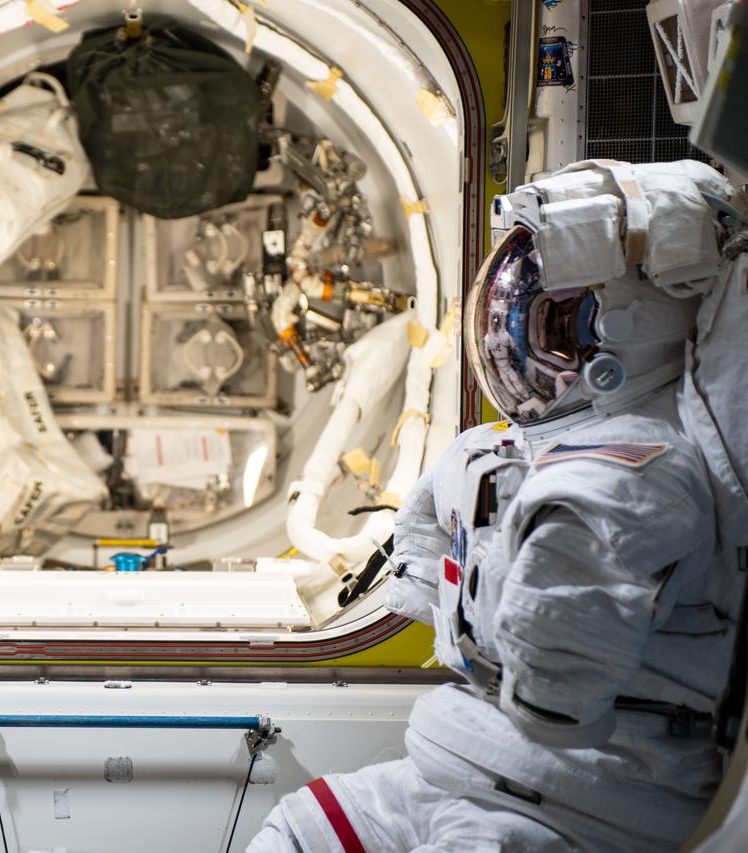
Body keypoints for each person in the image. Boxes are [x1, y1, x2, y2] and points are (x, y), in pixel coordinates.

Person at [248, 159, 747, 852]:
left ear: (624, 338)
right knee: (299, 830)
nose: (506, 341)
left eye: (550, 325)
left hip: (579, 790)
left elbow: (558, 674)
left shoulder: (636, 468)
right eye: (512, 312)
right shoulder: (504, 452)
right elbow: (429, 559)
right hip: (468, 759)